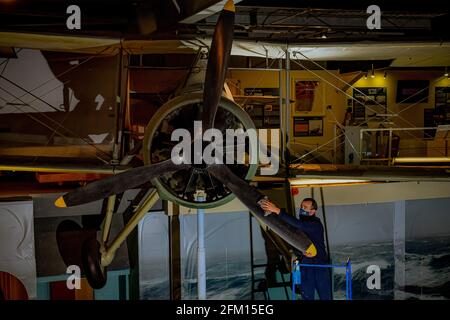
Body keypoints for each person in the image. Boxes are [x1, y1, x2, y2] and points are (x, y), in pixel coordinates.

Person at [259, 197, 332, 300]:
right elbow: (296, 238)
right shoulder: (299, 226)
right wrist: (300, 253)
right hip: (305, 267)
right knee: (306, 297)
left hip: (320, 267)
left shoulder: (315, 224)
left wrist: (277, 210)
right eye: (301, 206)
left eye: (305, 207)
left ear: (312, 211)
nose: (301, 208)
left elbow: (300, 225)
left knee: (326, 297)